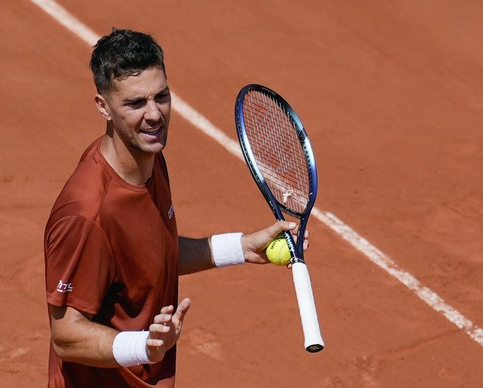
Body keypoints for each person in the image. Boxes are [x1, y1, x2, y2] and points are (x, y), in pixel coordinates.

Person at [44, 28, 308, 387]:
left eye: (162, 96)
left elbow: (146, 257)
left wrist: (240, 247)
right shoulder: (87, 213)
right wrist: (145, 347)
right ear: (103, 107)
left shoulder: (149, 159)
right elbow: (65, 335)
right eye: (135, 103)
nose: (155, 114)